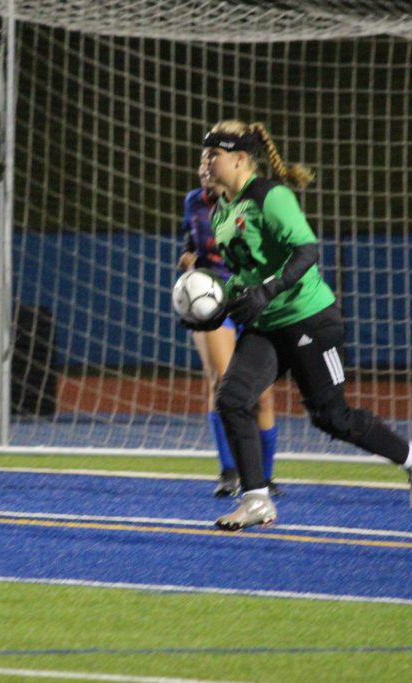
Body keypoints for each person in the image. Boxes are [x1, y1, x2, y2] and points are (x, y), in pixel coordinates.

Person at [197, 119, 412, 531]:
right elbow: (244, 274)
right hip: (268, 326)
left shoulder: (271, 197)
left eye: (212, 154)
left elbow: (307, 250)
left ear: (239, 159)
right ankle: (256, 500)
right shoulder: (221, 211)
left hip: (310, 319)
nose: (204, 162)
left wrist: (267, 292)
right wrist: (218, 305)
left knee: (330, 415)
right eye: (203, 154)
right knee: (232, 398)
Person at [178, 155, 280, 497]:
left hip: (251, 301)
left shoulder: (253, 202)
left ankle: (264, 476)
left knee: (263, 394)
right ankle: (230, 472)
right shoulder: (193, 201)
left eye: (211, 161)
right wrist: (188, 257)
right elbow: (189, 241)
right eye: (201, 162)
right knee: (222, 383)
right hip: (211, 301)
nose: (205, 168)